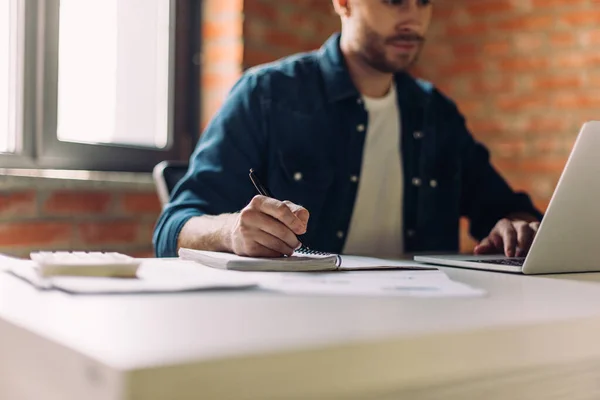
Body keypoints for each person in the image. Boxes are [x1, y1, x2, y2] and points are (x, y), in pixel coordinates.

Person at [153, 0, 543, 259]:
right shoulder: (267, 94)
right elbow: (172, 229)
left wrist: (519, 225)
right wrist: (231, 231)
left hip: (422, 329)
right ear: (343, 3)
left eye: (424, 0)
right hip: (297, 331)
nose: (412, 18)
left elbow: (505, 210)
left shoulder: (437, 115)